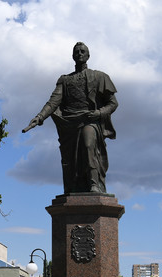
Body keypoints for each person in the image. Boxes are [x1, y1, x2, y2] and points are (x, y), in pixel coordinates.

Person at [23, 42, 118, 194]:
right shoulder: (65, 80)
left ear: (88, 55)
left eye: (82, 51)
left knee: (88, 147)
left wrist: (99, 113)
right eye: (76, 52)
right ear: (72, 56)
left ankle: (94, 184)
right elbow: (53, 102)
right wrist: (40, 117)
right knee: (70, 160)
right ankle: (75, 187)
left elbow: (113, 104)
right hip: (69, 124)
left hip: (89, 120)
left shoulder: (100, 77)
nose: (79, 54)